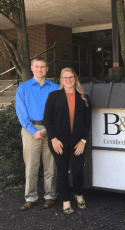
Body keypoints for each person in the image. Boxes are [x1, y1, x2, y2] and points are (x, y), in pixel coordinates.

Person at [43, 67, 91, 214]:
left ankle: (78, 194)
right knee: (62, 172)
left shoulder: (84, 97)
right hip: (59, 142)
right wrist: (53, 139)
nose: (68, 80)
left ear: (75, 79)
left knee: (78, 172)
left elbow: (87, 121)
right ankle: (65, 200)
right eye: (65, 78)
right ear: (61, 80)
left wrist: (83, 140)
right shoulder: (54, 96)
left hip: (77, 142)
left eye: (71, 77)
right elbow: (47, 119)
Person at [15, 57, 59, 211]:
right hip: (29, 130)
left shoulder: (55, 88)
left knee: (51, 165)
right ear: (32, 68)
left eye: (43, 67)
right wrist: (33, 131)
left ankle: (50, 196)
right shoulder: (23, 88)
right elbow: (21, 113)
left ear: (47, 69)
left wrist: (48, 130)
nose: (40, 70)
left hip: (51, 129)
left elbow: (59, 111)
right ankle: (31, 197)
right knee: (31, 165)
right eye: (37, 67)